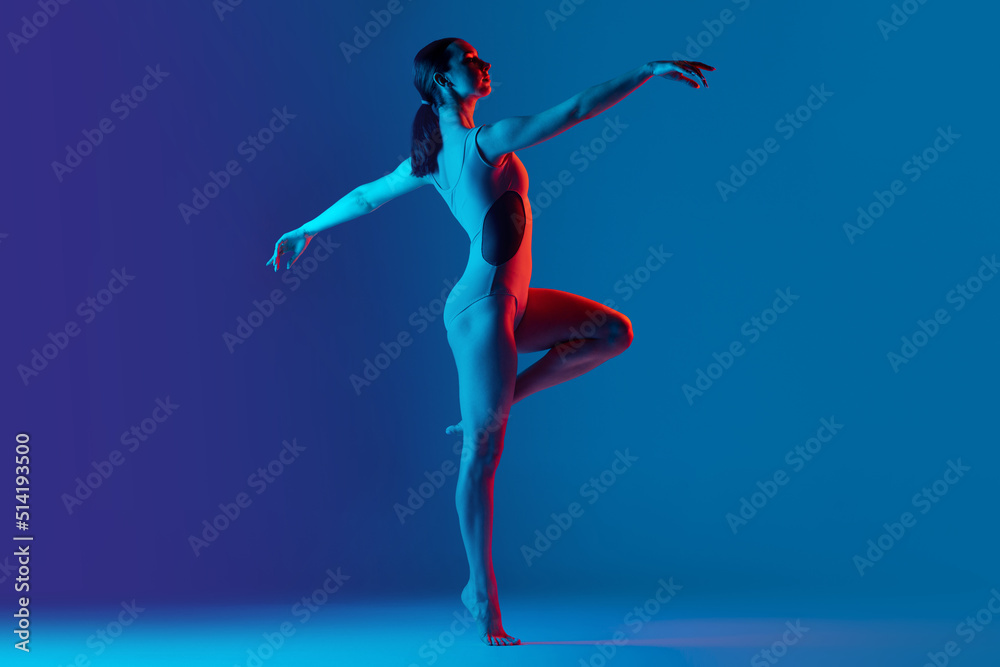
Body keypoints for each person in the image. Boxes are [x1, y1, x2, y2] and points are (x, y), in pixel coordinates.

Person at [266, 37, 714, 646]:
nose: (485, 65)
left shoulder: (436, 157)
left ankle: (496, 406)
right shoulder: (481, 142)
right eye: (471, 62)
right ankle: (480, 592)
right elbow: (576, 109)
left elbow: (371, 195)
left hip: (514, 304)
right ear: (444, 83)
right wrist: (646, 69)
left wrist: (308, 227)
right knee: (482, 456)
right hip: (481, 311)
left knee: (611, 332)